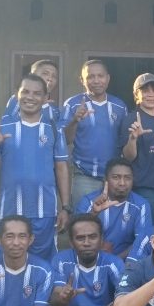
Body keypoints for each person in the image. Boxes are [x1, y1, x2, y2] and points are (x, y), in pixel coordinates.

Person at [0, 74, 71, 261]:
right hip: (10, 210)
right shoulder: (3, 126)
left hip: (44, 210)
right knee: (8, 261)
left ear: (46, 99)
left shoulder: (54, 128)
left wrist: (65, 207)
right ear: (17, 94)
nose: (30, 97)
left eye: (37, 93)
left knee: (43, 262)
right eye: (25, 92)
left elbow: (61, 168)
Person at [61, 59, 128, 205]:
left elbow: (125, 142)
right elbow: (65, 140)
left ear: (108, 78)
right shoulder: (72, 104)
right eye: (90, 77)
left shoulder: (120, 106)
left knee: (112, 224)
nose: (96, 80)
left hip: (114, 178)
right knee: (82, 222)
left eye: (100, 76)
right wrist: (75, 120)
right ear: (82, 80)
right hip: (84, 177)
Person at [117, 73, 154, 219]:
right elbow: (128, 157)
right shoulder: (131, 119)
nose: (150, 94)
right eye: (145, 90)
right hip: (144, 186)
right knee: (146, 228)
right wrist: (133, 138)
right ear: (136, 94)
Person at [74, 158, 153, 259]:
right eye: (116, 177)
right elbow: (77, 236)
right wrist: (93, 213)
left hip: (125, 262)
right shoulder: (89, 202)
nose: (122, 183)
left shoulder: (141, 205)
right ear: (105, 180)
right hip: (90, 260)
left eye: (127, 178)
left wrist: (115, 261)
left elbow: (142, 242)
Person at [3, 59, 60, 125]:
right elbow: (9, 125)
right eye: (45, 73)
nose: (50, 79)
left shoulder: (55, 109)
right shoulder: (19, 99)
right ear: (32, 75)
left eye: (54, 76)